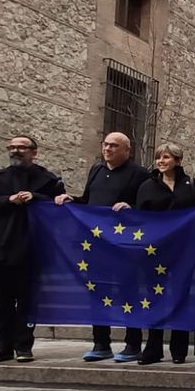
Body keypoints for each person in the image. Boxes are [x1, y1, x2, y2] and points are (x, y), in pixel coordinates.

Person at [0, 134, 65, 364]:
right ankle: (3, 346)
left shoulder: (49, 179)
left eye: (21, 147)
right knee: (2, 300)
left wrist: (36, 197)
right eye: (12, 147)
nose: (15, 151)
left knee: (27, 300)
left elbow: (61, 209)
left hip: (33, 247)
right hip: (0, 247)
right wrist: (8, 200)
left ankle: (24, 346)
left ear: (34, 152)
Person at [55, 132, 150, 362]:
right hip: (96, 244)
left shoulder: (139, 174)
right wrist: (71, 200)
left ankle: (133, 344)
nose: (108, 149)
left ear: (127, 150)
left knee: (128, 293)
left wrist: (131, 206)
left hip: (124, 245)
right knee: (97, 293)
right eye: (106, 144)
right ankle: (101, 343)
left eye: (114, 146)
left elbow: (147, 207)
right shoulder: (96, 169)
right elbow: (88, 201)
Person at [135, 142, 195, 366]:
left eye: (166, 157)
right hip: (155, 250)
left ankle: (179, 348)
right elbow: (140, 217)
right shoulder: (147, 186)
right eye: (159, 158)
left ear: (177, 160)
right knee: (155, 298)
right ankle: (153, 348)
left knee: (181, 296)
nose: (161, 161)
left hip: (184, 250)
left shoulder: (191, 185)